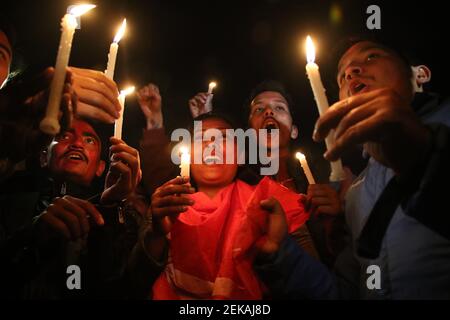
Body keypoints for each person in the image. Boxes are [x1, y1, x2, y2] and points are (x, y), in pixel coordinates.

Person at [256, 36, 450, 299]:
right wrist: (283, 253)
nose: (351, 71)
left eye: (371, 57)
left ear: (419, 74)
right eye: (341, 76)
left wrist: (426, 162)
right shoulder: (356, 194)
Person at [149, 113, 312, 299]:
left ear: (241, 155)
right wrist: (156, 235)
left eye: (223, 137)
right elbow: (135, 283)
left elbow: (310, 285)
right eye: (201, 137)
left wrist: (276, 251)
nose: (212, 144)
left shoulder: (270, 205)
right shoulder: (166, 206)